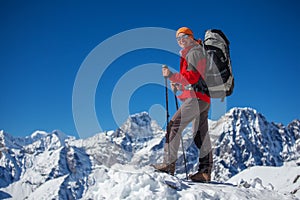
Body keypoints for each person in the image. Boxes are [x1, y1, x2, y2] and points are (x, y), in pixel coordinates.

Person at [152, 27, 213, 182]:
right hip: (203, 99)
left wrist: (172, 75)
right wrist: (179, 87)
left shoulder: (193, 52)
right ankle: (205, 172)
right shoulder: (197, 52)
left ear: (191, 37)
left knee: (173, 126)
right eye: (178, 39)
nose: (181, 40)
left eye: (184, 37)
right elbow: (196, 80)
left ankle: (168, 164)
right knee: (200, 135)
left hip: (197, 99)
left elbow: (192, 77)